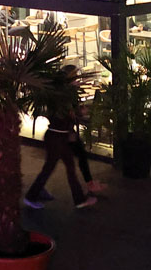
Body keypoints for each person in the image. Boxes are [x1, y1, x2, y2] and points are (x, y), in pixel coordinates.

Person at [24, 67, 98, 211]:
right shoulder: (64, 97)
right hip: (58, 138)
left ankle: (78, 199)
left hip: (58, 137)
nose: (77, 80)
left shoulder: (57, 95)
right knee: (52, 168)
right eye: (75, 77)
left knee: (67, 167)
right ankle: (31, 196)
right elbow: (65, 115)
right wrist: (79, 112)